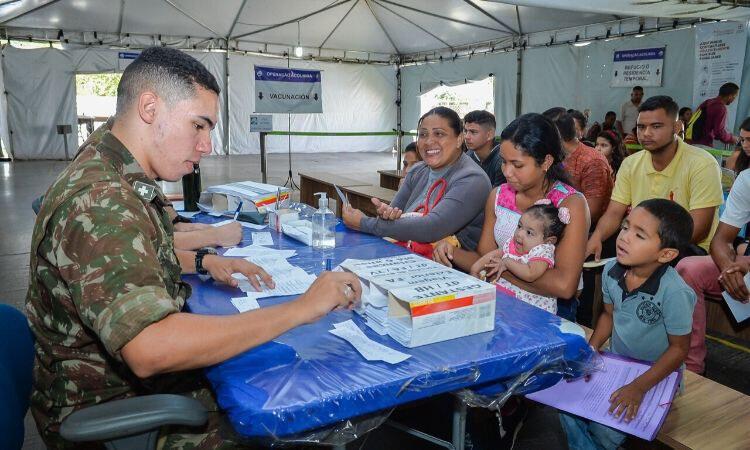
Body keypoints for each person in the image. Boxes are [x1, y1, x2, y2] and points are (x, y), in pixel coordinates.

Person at [25, 47, 362, 449]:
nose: (206, 146)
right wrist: (301, 308)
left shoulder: (110, 166)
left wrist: (202, 261)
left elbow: (141, 255)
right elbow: (152, 348)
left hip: (121, 388)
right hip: (116, 409)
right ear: (150, 107)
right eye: (198, 126)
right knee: (295, 413)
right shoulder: (102, 201)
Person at [561, 199, 696, 449]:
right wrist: (591, 349)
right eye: (625, 227)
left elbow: (679, 350)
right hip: (616, 363)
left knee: (605, 431)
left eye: (639, 235)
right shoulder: (612, 270)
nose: (625, 237)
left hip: (657, 374)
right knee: (563, 406)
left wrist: (638, 387)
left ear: (666, 254)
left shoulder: (675, 292)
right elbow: (608, 316)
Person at [433, 113, 590, 322]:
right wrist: (452, 251)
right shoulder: (498, 196)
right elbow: (484, 255)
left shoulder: (570, 204)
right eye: (504, 162)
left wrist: (502, 265)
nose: (507, 172)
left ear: (546, 162)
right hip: (503, 300)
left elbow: (564, 286)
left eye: (517, 165)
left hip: (549, 312)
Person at [587, 96, 723, 261]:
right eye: (641, 127)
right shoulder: (631, 163)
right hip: (641, 240)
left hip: (688, 247)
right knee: (588, 251)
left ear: (676, 127)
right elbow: (614, 213)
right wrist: (597, 236)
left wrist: (648, 249)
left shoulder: (702, 164)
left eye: (656, 126)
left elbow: (698, 229)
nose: (646, 133)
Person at [75, 117, 243, 250]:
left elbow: (141, 184)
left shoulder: (124, 142)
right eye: (196, 126)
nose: (207, 147)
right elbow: (146, 249)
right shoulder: (101, 175)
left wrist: (174, 221)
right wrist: (213, 236)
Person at [342, 107, 491, 253]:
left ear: (459, 140)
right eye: (423, 134)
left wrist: (364, 223)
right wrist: (387, 214)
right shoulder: (417, 171)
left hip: (445, 269)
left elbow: (432, 228)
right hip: (405, 254)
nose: (428, 141)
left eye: (439, 134)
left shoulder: (472, 179)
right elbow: (395, 214)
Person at [675, 157, 750, 373]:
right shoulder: (746, 179)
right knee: (689, 269)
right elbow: (721, 239)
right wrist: (728, 267)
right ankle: (691, 368)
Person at [476, 200, 569, 314]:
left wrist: (506, 262)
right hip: (508, 306)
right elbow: (494, 255)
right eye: (519, 226)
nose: (519, 234)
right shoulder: (515, 243)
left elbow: (530, 274)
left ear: (548, 241)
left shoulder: (542, 250)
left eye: (529, 233)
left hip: (531, 314)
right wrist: (475, 268)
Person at [544, 107, 613, 226]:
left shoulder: (592, 161)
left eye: (542, 133)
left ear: (555, 135)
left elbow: (591, 213)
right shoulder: (553, 155)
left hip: (583, 229)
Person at [687, 82, 740, 148]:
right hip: (703, 144)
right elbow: (719, 132)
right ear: (730, 96)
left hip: (691, 142)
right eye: (734, 97)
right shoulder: (721, 108)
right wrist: (731, 138)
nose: (733, 100)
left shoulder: (707, 102)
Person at [463, 110, 506, 187]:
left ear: (489, 135)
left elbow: (498, 197)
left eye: (473, 132)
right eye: (466, 131)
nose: (466, 137)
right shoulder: (468, 156)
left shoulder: (503, 160)